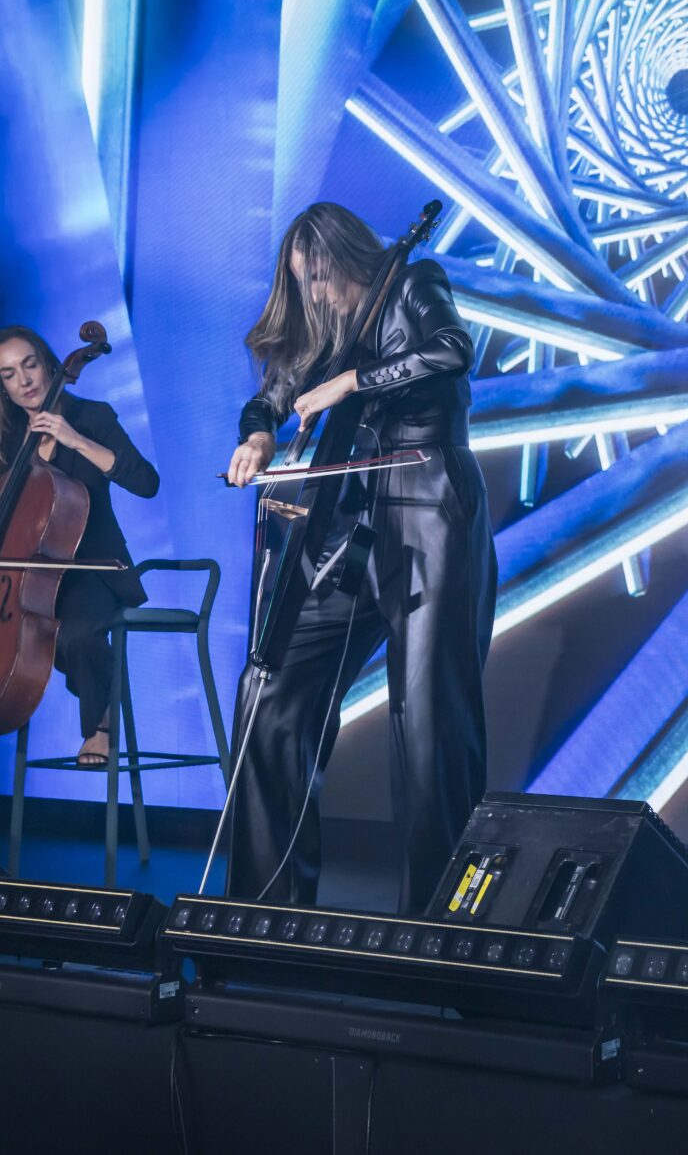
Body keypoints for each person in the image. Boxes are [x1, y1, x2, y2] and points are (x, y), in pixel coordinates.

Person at [221, 202, 496, 911]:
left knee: (431, 720)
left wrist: (354, 382)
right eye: (302, 283)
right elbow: (273, 396)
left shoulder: (410, 281)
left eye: (318, 277)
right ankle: (267, 912)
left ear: (344, 255)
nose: (314, 293)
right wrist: (257, 436)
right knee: (268, 694)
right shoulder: (322, 323)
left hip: (429, 509)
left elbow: (452, 349)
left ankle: (445, 931)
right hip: (345, 521)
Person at [0, 325, 159, 829]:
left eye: (28, 365)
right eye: (8, 374)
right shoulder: (6, 439)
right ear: (0, 386)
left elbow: (145, 481)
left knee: (78, 632)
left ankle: (102, 724)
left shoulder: (92, 417)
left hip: (89, 575)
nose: (23, 380)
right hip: (17, 586)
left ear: (48, 363)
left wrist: (74, 439)